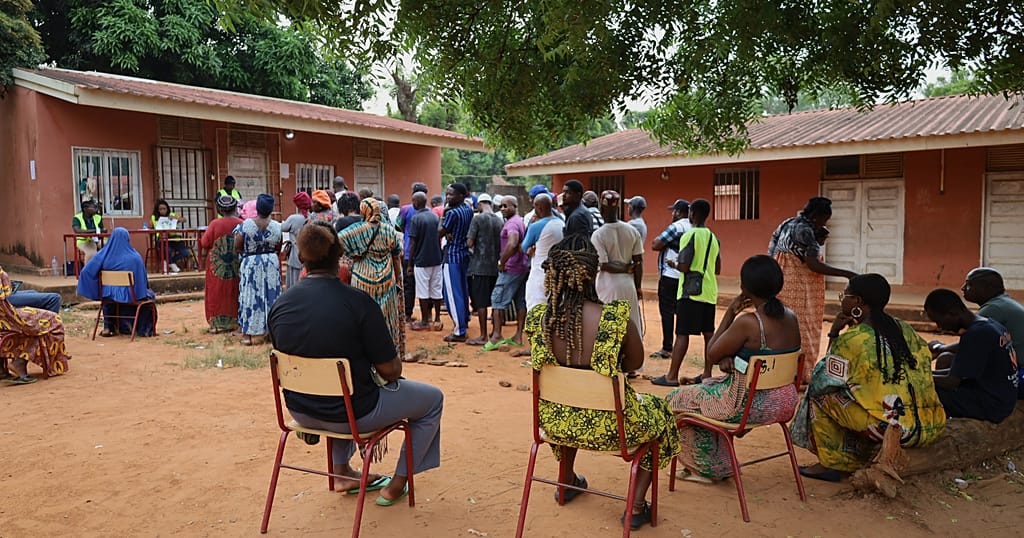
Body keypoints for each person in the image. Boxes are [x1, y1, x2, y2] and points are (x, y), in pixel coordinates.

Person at [268, 221, 444, 504]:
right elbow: (391, 371)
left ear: (301, 258)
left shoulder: (281, 304)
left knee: (339, 388)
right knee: (433, 399)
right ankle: (397, 484)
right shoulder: (359, 303)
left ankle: (341, 473)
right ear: (340, 255)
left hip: (300, 410)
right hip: (353, 413)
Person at [525, 234, 680, 530]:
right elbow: (634, 363)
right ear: (593, 272)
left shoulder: (539, 320)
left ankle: (566, 481)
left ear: (553, 273)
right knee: (662, 415)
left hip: (556, 425)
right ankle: (635, 508)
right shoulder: (615, 318)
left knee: (571, 403)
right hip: (613, 429)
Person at [792, 274, 946, 481]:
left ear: (857, 302)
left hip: (894, 430)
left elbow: (822, 380)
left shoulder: (854, 339)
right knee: (861, 394)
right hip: (930, 424)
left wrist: (834, 334)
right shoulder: (904, 328)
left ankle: (836, 463)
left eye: (845, 295)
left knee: (820, 396)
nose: (842, 300)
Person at [667, 255, 801, 482]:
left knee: (676, 400)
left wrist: (730, 312)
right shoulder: (791, 317)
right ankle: (718, 462)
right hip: (784, 401)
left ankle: (708, 468)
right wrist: (732, 358)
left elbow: (711, 352)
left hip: (748, 404)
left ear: (744, 287)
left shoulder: (748, 322)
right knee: (706, 391)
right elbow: (765, 355)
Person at [769, 197, 857, 382]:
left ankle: (780, 373)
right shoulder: (805, 230)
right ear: (817, 216)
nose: (825, 223)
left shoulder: (788, 223)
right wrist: (846, 273)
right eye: (825, 219)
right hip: (800, 284)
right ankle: (801, 375)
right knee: (803, 326)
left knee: (783, 324)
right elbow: (813, 264)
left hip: (781, 278)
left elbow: (772, 249)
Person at [652, 199, 721, 387]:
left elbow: (684, 266)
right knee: (708, 334)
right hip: (709, 291)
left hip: (690, 293)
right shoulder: (714, 238)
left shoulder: (689, 235)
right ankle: (707, 373)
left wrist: (674, 264)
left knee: (682, 334)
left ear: (692, 214)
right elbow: (717, 268)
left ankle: (672, 376)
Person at [925, 288, 1018, 423]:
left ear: (952, 313)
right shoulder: (990, 324)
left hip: (992, 406)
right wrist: (928, 374)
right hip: (1002, 398)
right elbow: (957, 373)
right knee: (938, 371)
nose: (940, 327)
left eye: (939, 321)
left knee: (926, 390)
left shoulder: (976, 334)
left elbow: (951, 382)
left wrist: (920, 377)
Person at [931, 267, 1024, 398]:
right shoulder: (1002, 303)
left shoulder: (993, 310)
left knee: (946, 359)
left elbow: (968, 345)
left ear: (986, 287)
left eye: (969, 284)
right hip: (1014, 368)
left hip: (1019, 375)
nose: (963, 288)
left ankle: (955, 400)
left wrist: (939, 347)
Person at [339, 198, 406, 359]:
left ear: (363, 211)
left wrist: (355, 253)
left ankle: (363, 351)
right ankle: (388, 352)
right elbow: (397, 256)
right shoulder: (389, 230)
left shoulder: (356, 230)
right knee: (387, 316)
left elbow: (337, 242)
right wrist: (398, 279)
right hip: (387, 280)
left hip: (362, 278)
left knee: (363, 316)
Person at [77, 227, 158, 338]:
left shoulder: (102, 255)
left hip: (108, 295)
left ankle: (108, 327)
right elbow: (142, 281)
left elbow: (86, 271)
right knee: (150, 295)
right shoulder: (135, 257)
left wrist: (96, 288)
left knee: (108, 295)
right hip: (131, 296)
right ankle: (144, 330)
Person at [0, 267, 71, 384]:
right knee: (53, 310)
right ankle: (21, 361)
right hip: (5, 312)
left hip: (6, 301)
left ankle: (22, 359)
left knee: (34, 294)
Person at [591, 190, 644, 336]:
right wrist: (638, 286)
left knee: (610, 328)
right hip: (628, 285)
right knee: (632, 323)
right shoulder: (632, 231)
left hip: (608, 286)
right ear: (618, 208)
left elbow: (604, 264)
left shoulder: (598, 235)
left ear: (601, 209)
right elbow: (639, 262)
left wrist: (624, 268)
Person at [233, 194, 282, 346]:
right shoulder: (276, 226)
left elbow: (237, 246)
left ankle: (247, 335)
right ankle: (272, 333)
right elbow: (279, 247)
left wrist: (249, 254)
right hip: (271, 262)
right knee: (271, 297)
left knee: (250, 296)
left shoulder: (246, 225)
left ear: (257, 208)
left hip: (251, 262)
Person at [486, 195, 530, 349]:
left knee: (497, 301)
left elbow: (512, 243)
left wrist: (502, 262)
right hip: (522, 267)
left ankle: (497, 335)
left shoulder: (512, 224)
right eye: (501, 206)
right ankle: (518, 336)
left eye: (506, 206)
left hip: (510, 268)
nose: (503, 209)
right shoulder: (519, 221)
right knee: (520, 301)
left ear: (515, 206)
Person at [649, 200, 691, 359]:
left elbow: (656, 244)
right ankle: (681, 345)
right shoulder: (695, 227)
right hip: (686, 276)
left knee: (666, 311)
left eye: (674, 211)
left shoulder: (677, 226)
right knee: (681, 311)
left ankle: (667, 347)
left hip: (670, 275)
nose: (672, 214)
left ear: (679, 212)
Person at [199, 196, 243, 334]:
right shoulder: (242, 223)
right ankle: (236, 322)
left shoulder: (214, 224)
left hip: (217, 267)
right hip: (237, 265)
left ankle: (216, 325)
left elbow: (205, 243)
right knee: (236, 291)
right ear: (235, 208)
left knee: (216, 292)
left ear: (219, 209)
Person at [465, 193, 503, 344]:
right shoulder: (499, 220)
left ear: (479, 205)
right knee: (495, 302)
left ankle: (482, 335)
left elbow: (469, 242)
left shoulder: (478, 219)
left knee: (480, 303)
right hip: (496, 266)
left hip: (479, 266)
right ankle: (495, 332)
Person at [438, 183, 474, 342]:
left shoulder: (451, 213)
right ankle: (464, 319)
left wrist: (443, 215)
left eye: (451, 194)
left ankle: (459, 331)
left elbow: (439, 232)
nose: (447, 197)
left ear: (461, 195)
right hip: (464, 254)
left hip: (452, 255)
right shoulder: (468, 209)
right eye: (447, 194)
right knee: (463, 290)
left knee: (452, 294)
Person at [407, 192, 444, 332]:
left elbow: (413, 243)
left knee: (423, 291)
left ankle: (424, 321)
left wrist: (410, 264)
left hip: (422, 260)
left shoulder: (416, 219)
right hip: (436, 258)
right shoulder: (435, 217)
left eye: (413, 201)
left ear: (416, 202)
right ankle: (437, 319)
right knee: (436, 289)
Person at [522, 193, 564, 310]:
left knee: (536, 309)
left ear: (538, 207)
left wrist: (531, 249)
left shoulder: (536, 226)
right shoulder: (561, 223)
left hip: (540, 273)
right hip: (558, 273)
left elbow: (524, 247)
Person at [396, 182, 430, 322]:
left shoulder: (405, 209)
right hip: (424, 253)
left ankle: (408, 314)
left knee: (408, 286)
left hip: (409, 252)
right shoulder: (429, 212)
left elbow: (398, 226)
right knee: (426, 285)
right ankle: (427, 315)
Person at [281, 192, 312, 289]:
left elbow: (283, 227)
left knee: (294, 283)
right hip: (309, 256)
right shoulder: (311, 217)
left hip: (295, 257)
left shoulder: (293, 218)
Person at [150, 199, 189, 273]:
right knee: (168, 250)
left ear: (167, 208)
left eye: (164, 209)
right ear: (157, 210)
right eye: (160, 209)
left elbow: (184, 219)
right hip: (162, 239)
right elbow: (153, 226)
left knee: (186, 252)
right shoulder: (154, 217)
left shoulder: (172, 214)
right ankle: (171, 263)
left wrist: (176, 218)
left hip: (175, 238)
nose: (162, 211)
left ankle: (171, 262)